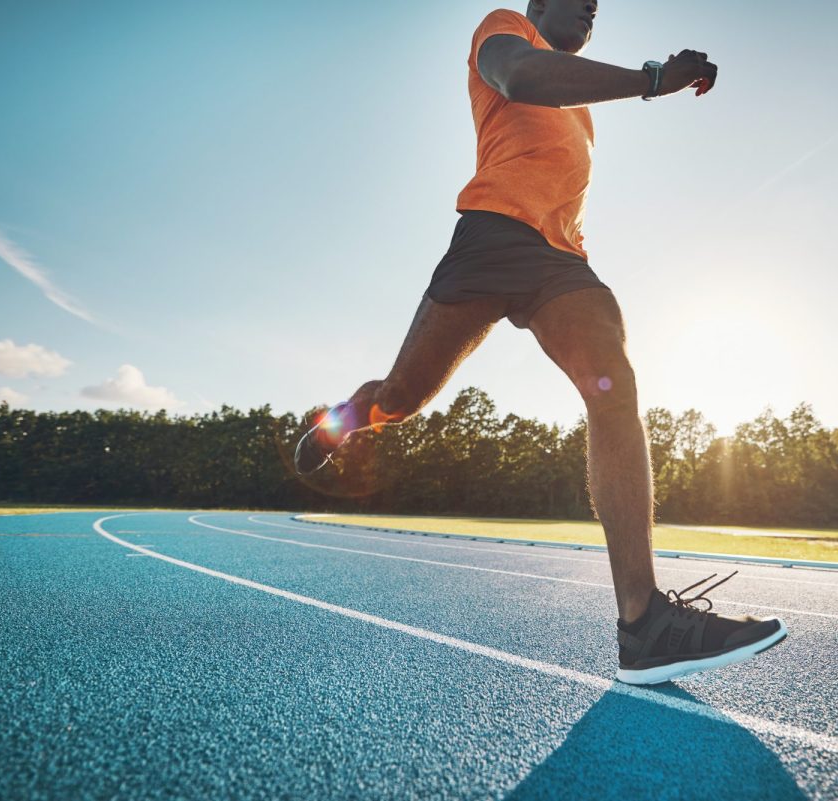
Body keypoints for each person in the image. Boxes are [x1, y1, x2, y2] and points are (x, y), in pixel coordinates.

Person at [295, 0, 786, 685]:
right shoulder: (505, 29)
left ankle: (644, 624)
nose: (592, 5)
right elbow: (522, 76)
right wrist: (650, 79)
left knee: (614, 382)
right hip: (492, 237)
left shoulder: (582, 106)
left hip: (558, 260)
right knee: (402, 398)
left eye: (599, 5)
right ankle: (344, 417)